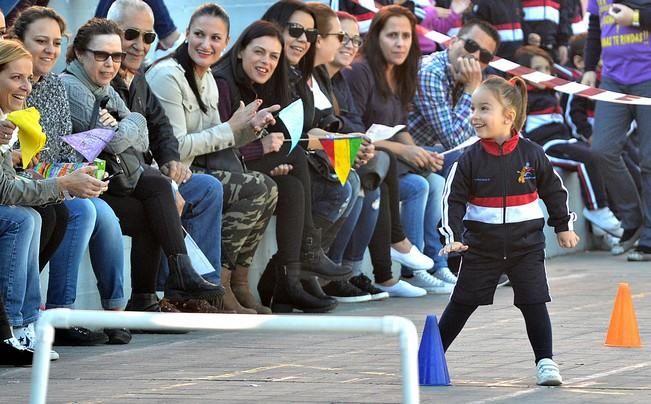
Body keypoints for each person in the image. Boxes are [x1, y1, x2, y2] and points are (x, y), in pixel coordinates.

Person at [60, 17, 223, 314]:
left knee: (158, 191)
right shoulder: (72, 87)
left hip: (107, 179)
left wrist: (125, 124)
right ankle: (159, 286)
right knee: (155, 201)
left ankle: (154, 292)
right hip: (78, 186)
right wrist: (126, 125)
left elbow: (145, 136)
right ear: (80, 54)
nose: (110, 63)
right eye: (101, 55)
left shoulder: (106, 88)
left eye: (115, 56)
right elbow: (116, 143)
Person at [438, 75, 579, 386]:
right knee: (461, 303)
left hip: (526, 247)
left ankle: (545, 362)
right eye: (473, 108)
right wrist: (454, 238)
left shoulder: (532, 154)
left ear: (508, 116)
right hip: (480, 248)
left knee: (534, 302)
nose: (474, 116)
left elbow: (554, 191)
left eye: (483, 108)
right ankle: (430, 356)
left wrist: (562, 226)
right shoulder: (468, 159)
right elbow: (452, 201)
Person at [146, 4, 279, 314]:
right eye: (199, 35)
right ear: (187, 35)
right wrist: (232, 128)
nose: (206, 45)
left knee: (266, 187)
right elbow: (174, 147)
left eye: (215, 38)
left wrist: (249, 130)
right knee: (254, 188)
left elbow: (215, 139)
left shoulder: (204, 77)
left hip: (192, 172)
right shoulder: (168, 75)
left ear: (227, 42)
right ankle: (217, 286)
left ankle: (236, 285)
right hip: (167, 175)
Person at [11, 5, 130, 346]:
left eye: (55, 42)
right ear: (17, 41)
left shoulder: (53, 86)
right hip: (25, 183)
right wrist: (65, 178)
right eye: (41, 41)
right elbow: (18, 161)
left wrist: (80, 172)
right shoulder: (17, 82)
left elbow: (63, 152)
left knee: (90, 208)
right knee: (69, 211)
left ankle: (83, 313)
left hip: (50, 179)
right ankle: (44, 316)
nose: (50, 50)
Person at [105, 0, 226, 313]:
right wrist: (165, 181)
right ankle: (167, 291)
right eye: (130, 34)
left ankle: (195, 292)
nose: (139, 44)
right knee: (159, 199)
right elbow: (113, 149)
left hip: (146, 180)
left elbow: (162, 132)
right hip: (114, 183)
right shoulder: (102, 78)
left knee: (207, 187)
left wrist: (171, 161)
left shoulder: (140, 77)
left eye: (148, 37)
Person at [0, 38, 108, 360]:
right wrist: (63, 184)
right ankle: (14, 328)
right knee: (22, 219)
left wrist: (66, 177)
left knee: (41, 216)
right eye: (16, 77)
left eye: (29, 78)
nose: (26, 87)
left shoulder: (9, 120)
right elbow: (5, 190)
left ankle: (29, 322)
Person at [514, 45, 623, 238]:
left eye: (547, 69)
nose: (545, 74)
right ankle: (597, 210)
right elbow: (517, 130)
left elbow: (568, 77)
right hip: (545, 146)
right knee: (586, 158)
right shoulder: (521, 97)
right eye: (538, 69)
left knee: (599, 155)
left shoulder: (551, 93)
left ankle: (605, 229)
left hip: (564, 140)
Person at [583, 0, 651, 261]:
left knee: (649, 160)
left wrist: (634, 17)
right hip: (612, 79)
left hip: (647, 76)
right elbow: (593, 26)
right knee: (602, 149)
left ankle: (649, 238)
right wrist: (589, 68)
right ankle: (632, 220)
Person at [408, 18, 499, 151]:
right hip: (408, 153)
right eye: (471, 45)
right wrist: (471, 90)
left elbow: (484, 132)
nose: (475, 56)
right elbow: (455, 143)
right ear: (452, 42)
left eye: (485, 56)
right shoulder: (431, 72)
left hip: (432, 152)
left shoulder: (473, 75)